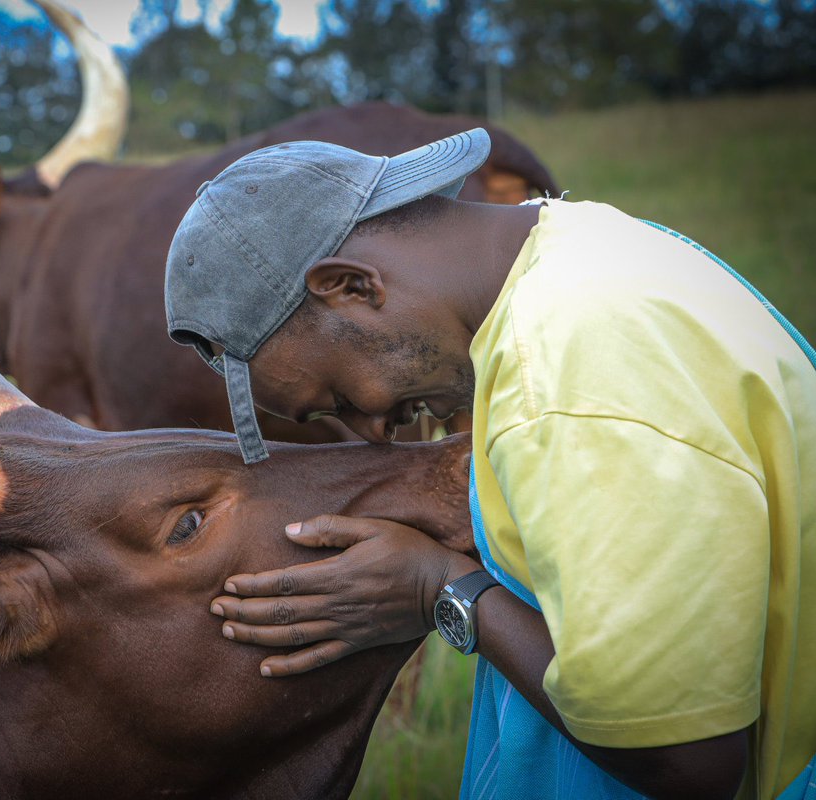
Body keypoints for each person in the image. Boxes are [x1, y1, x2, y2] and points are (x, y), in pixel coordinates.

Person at [163, 130, 815, 799]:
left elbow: (685, 760)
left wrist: (441, 588)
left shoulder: (565, 374)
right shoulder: (591, 244)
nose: (376, 431)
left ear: (351, 286)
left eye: (338, 397)